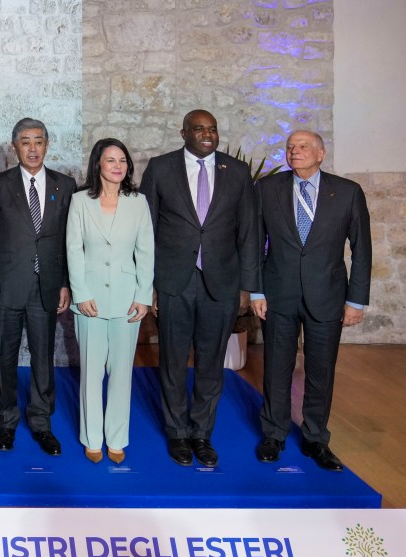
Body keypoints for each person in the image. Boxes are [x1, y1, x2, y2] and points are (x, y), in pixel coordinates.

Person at [139, 109, 259, 468]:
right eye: (199, 129)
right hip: (174, 280)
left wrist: (246, 288)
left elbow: (249, 232)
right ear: (183, 133)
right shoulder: (161, 168)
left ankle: (202, 433)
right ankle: (177, 432)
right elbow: (146, 231)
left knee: (211, 362)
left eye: (212, 129)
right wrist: (151, 287)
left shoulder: (237, 172)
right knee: (173, 361)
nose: (207, 134)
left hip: (221, 282)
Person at [251, 130, 371, 471]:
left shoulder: (348, 192)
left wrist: (356, 301)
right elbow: (254, 243)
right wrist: (256, 291)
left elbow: (362, 250)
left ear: (321, 154)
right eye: (290, 147)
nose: (295, 151)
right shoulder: (267, 189)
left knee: (321, 371)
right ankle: (273, 434)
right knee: (276, 367)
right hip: (278, 295)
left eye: (303, 146)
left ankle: (316, 439)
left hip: (328, 297)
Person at [0, 118, 76, 455]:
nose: (33, 148)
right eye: (25, 142)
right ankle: (6, 422)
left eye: (38, 141)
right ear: (15, 147)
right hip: (7, 286)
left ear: (47, 145)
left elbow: (71, 240)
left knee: (43, 358)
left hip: (48, 287)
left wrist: (66, 283)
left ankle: (41, 422)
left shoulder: (65, 185)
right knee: (4, 358)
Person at [66, 138, 153, 464]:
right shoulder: (79, 202)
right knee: (91, 371)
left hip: (127, 300)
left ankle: (116, 438)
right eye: (110, 160)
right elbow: (73, 250)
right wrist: (81, 293)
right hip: (90, 301)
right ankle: (92, 438)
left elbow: (146, 251)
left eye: (122, 160)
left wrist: (144, 296)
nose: (117, 166)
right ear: (97, 165)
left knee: (121, 373)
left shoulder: (138, 202)